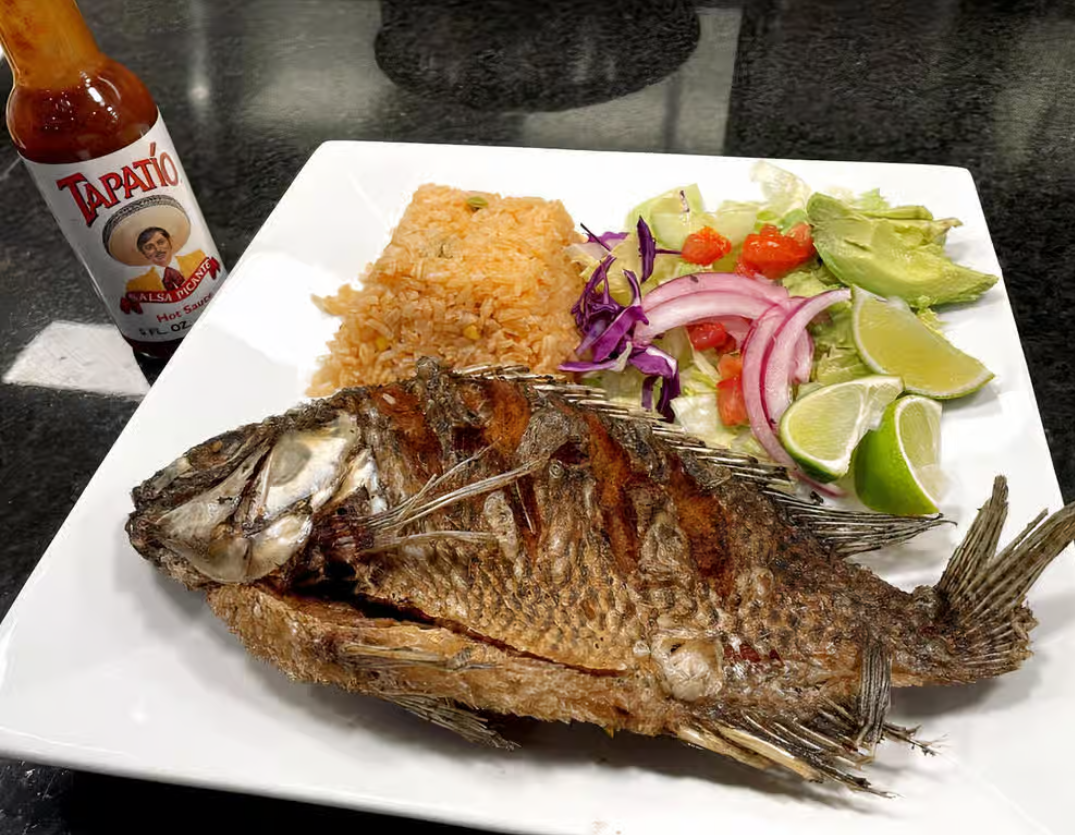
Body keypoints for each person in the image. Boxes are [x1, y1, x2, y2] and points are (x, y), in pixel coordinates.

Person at [136, 226, 185, 290]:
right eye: (149, 247)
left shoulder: (197, 257)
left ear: (170, 241)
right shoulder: (139, 285)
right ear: (144, 254)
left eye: (161, 242)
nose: (158, 249)